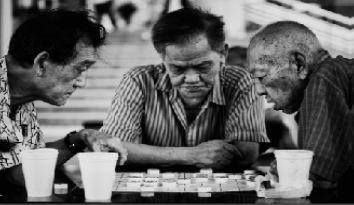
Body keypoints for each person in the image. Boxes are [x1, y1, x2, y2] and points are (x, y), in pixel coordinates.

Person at [100, 8, 269, 171]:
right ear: (163, 58)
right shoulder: (139, 80)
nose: (192, 79)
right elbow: (109, 148)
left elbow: (246, 155)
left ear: (223, 54)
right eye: (178, 68)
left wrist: (147, 154)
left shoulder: (240, 81)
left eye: (203, 66)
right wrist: (190, 155)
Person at [0, 9, 128, 189]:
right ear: (42, 63)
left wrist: (80, 138)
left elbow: (21, 168)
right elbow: (16, 176)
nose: (82, 82)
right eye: (80, 68)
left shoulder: (19, 95)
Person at [247, 20, 353, 189]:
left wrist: (289, 171)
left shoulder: (325, 75)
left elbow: (316, 179)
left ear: (299, 64)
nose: (259, 91)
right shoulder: (331, 81)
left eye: (261, 75)